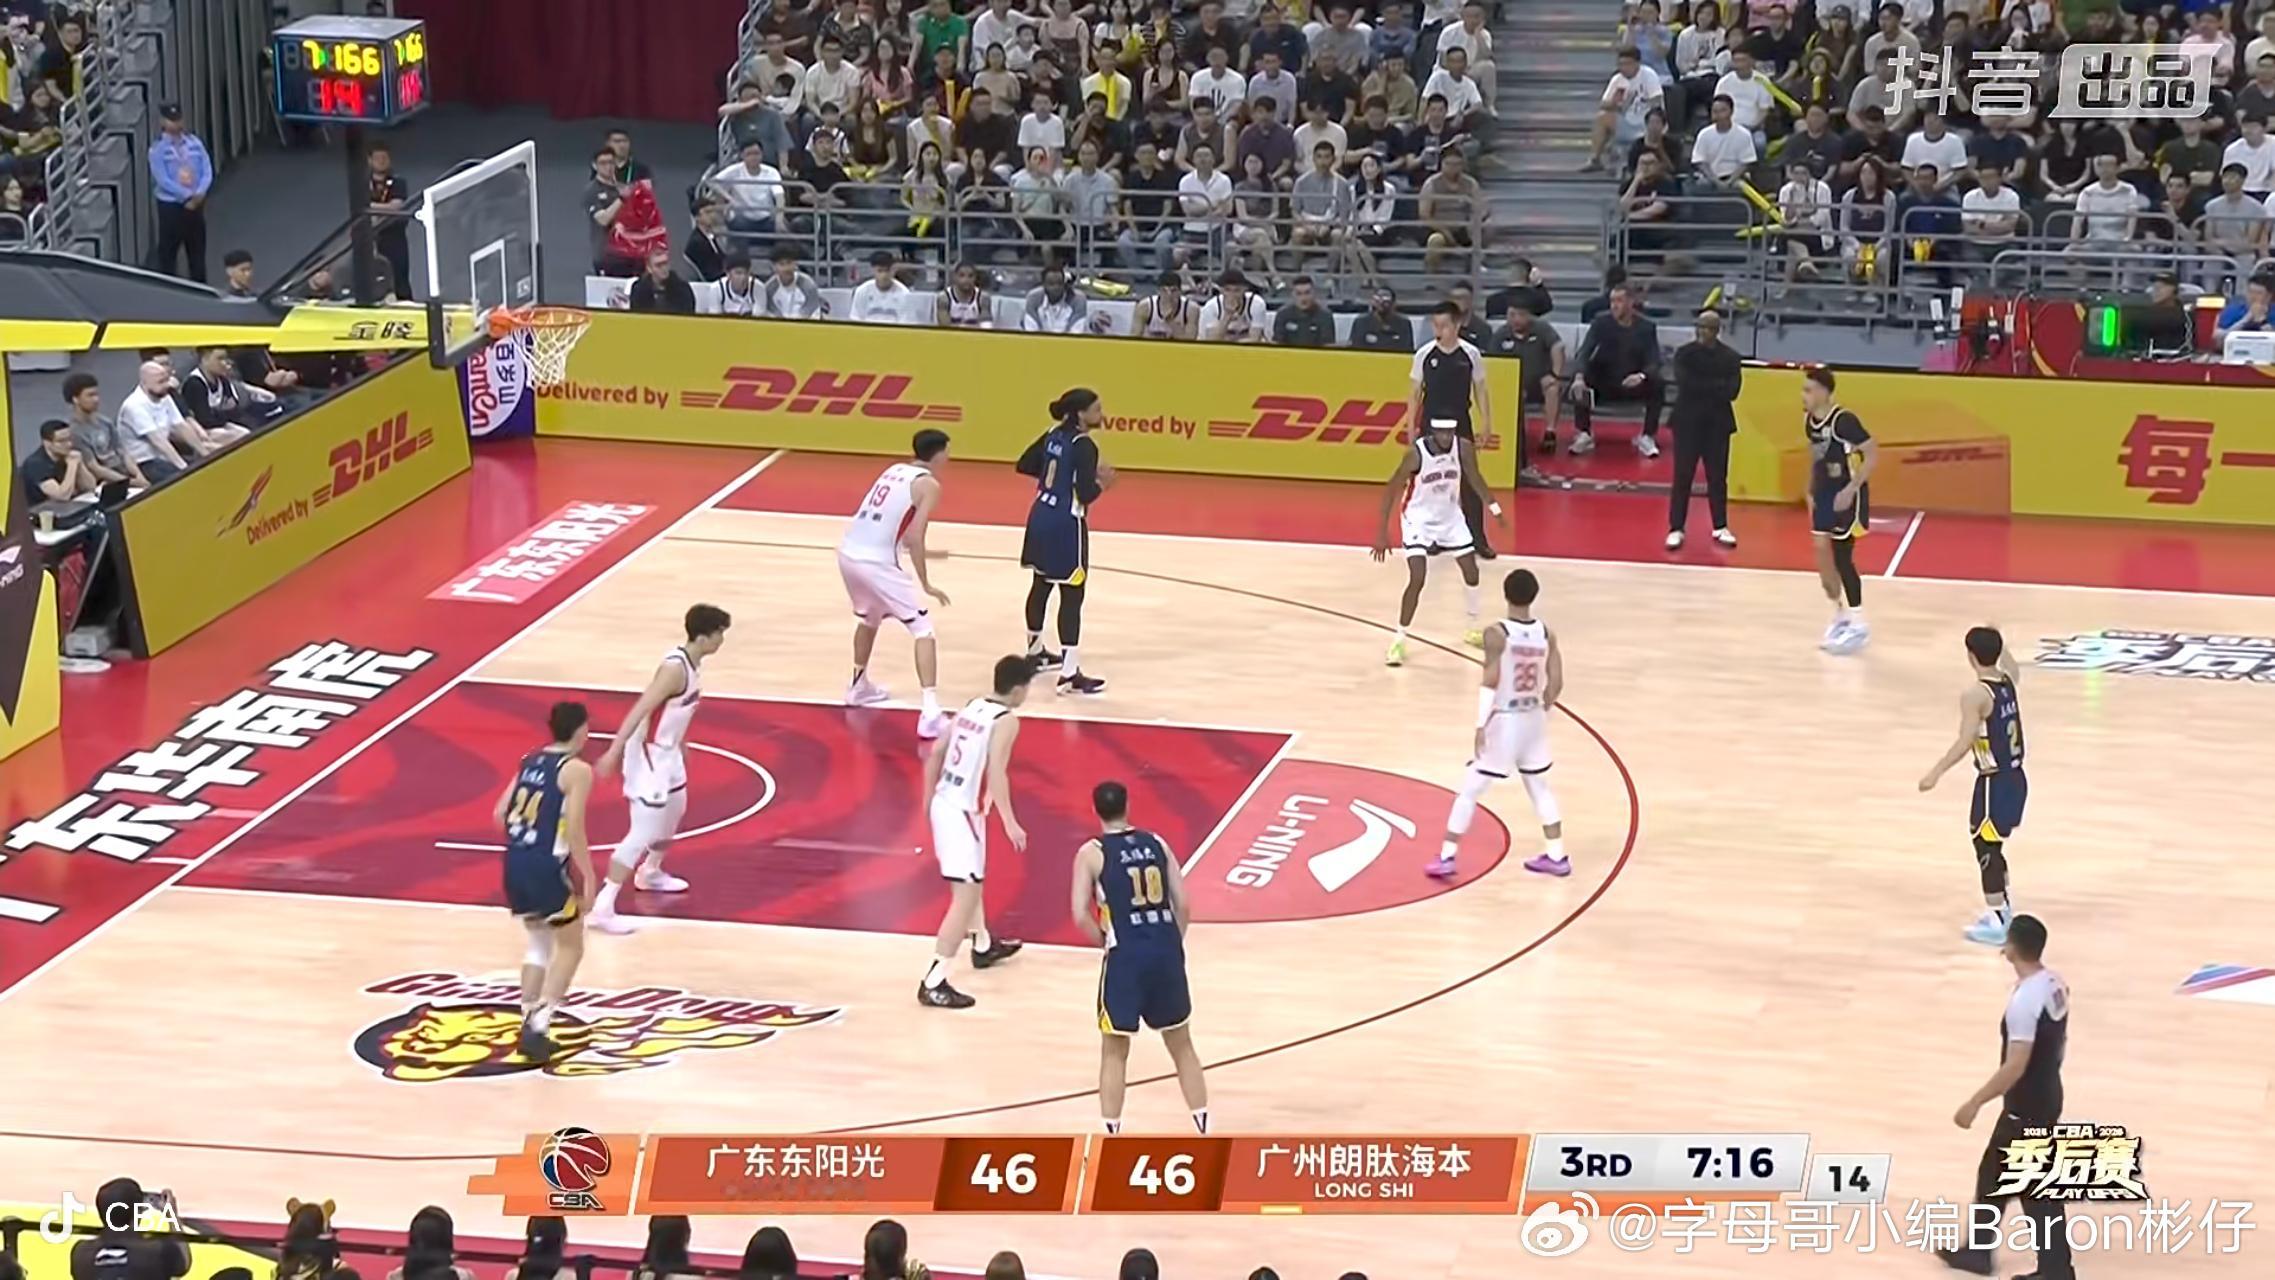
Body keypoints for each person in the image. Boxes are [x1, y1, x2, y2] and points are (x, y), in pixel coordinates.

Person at [1936, 914, 2072, 1280]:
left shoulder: (2024, 1001)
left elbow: (2015, 1065)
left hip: (2027, 1104)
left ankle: (2057, 1271)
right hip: (2047, 1093)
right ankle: (1978, 1252)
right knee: (1993, 1174)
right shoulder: (2054, 983)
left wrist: (1975, 1102)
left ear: (2012, 947)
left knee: (2035, 1189)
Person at [1073, 780, 1211, 1134]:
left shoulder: (1092, 853)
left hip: (1126, 956)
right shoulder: (1157, 843)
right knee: (1182, 1045)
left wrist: (1105, 942)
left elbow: (1079, 914)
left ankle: (1111, 1134)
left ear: (1095, 809)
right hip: (1165, 951)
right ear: (1128, 805)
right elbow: (1184, 904)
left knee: (1114, 1050)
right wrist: (1172, 941)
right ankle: (1203, 1126)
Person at [589, 605, 733, 934]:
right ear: (703, 637)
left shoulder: (694, 665)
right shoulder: (674, 669)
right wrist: (613, 751)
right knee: (643, 831)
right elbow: (640, 709)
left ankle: (650, 872)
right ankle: (602, 907)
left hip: (669, 752)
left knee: (674, 811)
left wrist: (682, 742)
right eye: (719, 634)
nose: (722, 640)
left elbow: (675, 711)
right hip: (650, 756)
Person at [1429, 568, 1565, 879]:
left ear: (1505, 594)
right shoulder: (1547, 633)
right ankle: (1557, 856)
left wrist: (1480, 725)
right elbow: (1556, 683)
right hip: (1533, 718)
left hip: (1506, 719)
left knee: (1470, 788)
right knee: (1539, 787)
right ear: (1534, 596)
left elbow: (1490, 679)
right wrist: (1542, 708)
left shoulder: (1496, 633)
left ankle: (1447, 856)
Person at [919, 654, 1038, 1008]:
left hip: (947, 802)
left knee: (971, 885)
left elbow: (937, 751)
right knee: (965, 898)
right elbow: (998, 772)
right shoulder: (1006, 721)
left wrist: (927, 801)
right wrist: (1010, 822)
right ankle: (934, 980)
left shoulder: (973, 706)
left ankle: (983, 945)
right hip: (961, 814)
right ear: (1018, 690)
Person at [491, 700, 597, 1062]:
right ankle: (539, 1023)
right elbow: (577, 829)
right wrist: (589, 876)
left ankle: (527, 1018)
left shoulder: (530, 761)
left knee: (539, 943)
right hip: (545, 867)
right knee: (571, 946)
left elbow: (500, 813)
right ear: (581, 730)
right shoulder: (577, 770)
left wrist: (527, 839)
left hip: (515, 861)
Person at [841, 430, 956, 737]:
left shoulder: (893, 470)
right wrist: (927, 583)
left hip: (849, 554)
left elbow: (891, 526)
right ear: (938, 453)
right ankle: (931, 713)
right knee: (923, 630)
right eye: (947, 451)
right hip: (877, 563)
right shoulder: (929, 485)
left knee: (869, 618)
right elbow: (913, 536)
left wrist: (928, 553)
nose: (949, 456)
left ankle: (858, 687)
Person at [1919, 626, 2027, 947]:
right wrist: (1998, 639)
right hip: (2015, 777)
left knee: (1985, 846)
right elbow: (2012, 666)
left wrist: (1936, 771)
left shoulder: (1976, 695)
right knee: (1991, 844)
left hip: (1994, 781)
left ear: (1970, 656)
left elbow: (1966, 741)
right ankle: (2002, 909)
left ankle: (1998, 918)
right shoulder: (2007, 681)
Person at [1371, 415, 1503, 666]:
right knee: (1418, 577)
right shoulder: (1415, 454)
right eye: (1441, 433)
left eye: (1449, 433)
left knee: (1472, 571)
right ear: (1432, 433)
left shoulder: (1463, 448)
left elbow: (1475, 477)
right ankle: (1399, 640)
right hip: (1418, 519)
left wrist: (1495, 509)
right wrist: (1381, 531)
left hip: (1450, 517)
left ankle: (1472, 627)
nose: (1446, 437)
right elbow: (1391, 487)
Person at [1017, 389, 1113, 694]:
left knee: (1041, 583)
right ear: (1081, 414)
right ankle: (1070, 672)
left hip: (1040, 514)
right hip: (1066, 524)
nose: (1101, 414)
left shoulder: (1053, 434)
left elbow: (1024, 463)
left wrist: (1057, 477)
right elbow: (1085, 494)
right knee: (1072, 595)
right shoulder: (1084, 444)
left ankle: (1035, 653)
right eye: (1096, 409)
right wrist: (1102, 483)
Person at [1801, 367, 1874, 654]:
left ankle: (1859, 623)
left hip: (1846, 493)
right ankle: (1840, 614)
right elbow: (1816, 458)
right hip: (1824, 493)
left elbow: (1872, 452)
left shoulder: (1843, 421)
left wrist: (1852, 489)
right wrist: (1810, 489)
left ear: (1823, 392)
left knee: (1843, 557)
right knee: (1822, 558)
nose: (1803, 395)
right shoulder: (1809, 422)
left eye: (1808, 390)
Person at [1665, 310, 1741, 549]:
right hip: (1687, 422)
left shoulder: (1731, 357)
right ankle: (1676, 528)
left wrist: (1704, 386)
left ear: (1717, 331)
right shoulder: (1684, 354)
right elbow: (1685, 383)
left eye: (1709, 327)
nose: (1703, 331)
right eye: (1701, 326)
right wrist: (1716, 386)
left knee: (1718, 477)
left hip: (1718, 424)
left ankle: (1720, 526)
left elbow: (1732, 391)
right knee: (1682, 476)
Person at [1568, 283, 1664, 458]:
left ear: (1631, 302)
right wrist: (1579, 377)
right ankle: (1584, 433)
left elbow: (1654, 360)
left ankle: (1647, 436)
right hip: (1604, 381)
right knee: (1581, 378)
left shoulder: (1647, 327)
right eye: (1612, 301)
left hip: (1633, 382)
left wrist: (1641, 376)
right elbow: (1584, 352)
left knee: (1657, 382)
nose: (1614, 305)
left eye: (1619, 301)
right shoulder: (1600, 322)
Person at [68, 1180, 190, 1280]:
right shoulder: (158, 1251)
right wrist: (171, 1215)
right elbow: (184, 1262)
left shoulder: (81, 1253)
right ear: (138, 1212)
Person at [147, 105, 212, 282]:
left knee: (197, 253)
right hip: (171, 206)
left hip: (196, 204)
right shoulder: (157, 149)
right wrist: (186, 195)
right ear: (163, 121)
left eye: (178, 119)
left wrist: (200, 192)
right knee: (168, 254)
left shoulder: (194, 143)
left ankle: (200, 288)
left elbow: (206, 168)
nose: (175, 124)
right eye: (171, 120)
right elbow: (162, 179)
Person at [113, 361, 191, 485]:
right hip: (144, 463)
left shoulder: (164, 397)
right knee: (184, 479)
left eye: (166, 380)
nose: (166, 385)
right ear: (144, 383)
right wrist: (184, 468)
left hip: (162, 457)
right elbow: (158, 441)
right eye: (160, 382)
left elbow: (181, 426)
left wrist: (205, 453)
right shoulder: (134, 406)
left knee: (200, 465)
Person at [21, 418, 96, 507]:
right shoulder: (35, 464)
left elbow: (90, 486)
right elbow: (62, 496)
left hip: (68, 507)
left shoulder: (68, 455)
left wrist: (80, 465)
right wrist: (72, 465)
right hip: (42, 510)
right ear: (47, 443)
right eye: (62, 441)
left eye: (69, 439)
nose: (69, 444)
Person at [627, 250, 697, 314]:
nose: (663, 268)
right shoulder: (639, 290)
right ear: (649, 268)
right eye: (659, 265)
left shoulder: (683, 289)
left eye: (665, 263)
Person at [1133, 271, 1195, 338]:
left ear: (1180, 291)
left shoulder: (1191, 309)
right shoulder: (1145, 307)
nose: (1169, 295)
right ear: (1158, 291)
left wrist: (1170, 321)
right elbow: (1134, 337)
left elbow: (1190, 340)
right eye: (1164, 290)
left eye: (1173, 290)